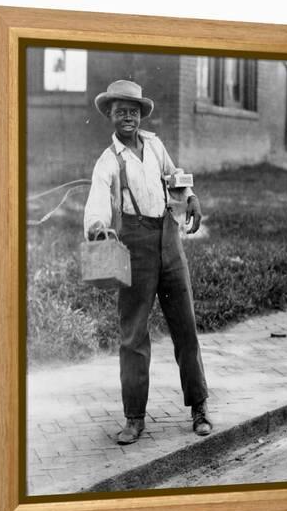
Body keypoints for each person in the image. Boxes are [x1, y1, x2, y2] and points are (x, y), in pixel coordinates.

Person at [84, 79, 212, 445]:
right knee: (133, 335)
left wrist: (190, 197)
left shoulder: (155, 145)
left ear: (141, 115)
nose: (128, 116)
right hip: (135, 249)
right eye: (121, 110)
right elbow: (96, 200)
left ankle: (200, 407)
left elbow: (175, 177)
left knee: (185, 328)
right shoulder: (108, 162)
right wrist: (96, 226)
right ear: (110, 115)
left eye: (134, 110)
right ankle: (134, 417)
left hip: (169, 243)